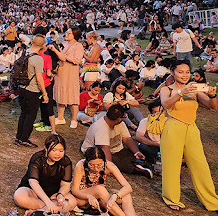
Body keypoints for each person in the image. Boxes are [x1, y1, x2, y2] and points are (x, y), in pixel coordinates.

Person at [159, 59, 218, 211]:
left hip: (192, 129)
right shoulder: (167, 89)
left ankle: (212, 201)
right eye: (180, 72)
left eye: (187, 72)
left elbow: (213, 107)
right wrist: (181, 93)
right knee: (172, 165)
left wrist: (212, 95)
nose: (185, 75)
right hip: (173, 127)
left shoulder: (195, 90)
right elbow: (166, 105)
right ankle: (171, 198)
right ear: (173, 72)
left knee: (201, 165)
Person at [81, 104, 152, 178]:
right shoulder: (101, 128)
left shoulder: (120, 124)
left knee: (134, 156)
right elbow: (104, 148)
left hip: (116, 150)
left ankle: (140, 164)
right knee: (119, 164)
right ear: (119, 119)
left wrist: (137, 152)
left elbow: (127, 139)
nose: (124, 119)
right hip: (97, 151)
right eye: (124, 117)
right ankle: (139, 170)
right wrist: (110, 168)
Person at [13, 134, 77, 214]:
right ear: (46, 148)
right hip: (34, 192)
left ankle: (39, 211)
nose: (57, 154)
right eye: (54, 150)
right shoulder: (37, 158)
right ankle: (51, 209)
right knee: (19, 197)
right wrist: (48, 202)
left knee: (72, 202)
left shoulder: (66, 162)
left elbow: (65, 184)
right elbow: (33, 182)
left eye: (61, 151)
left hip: (54, 194)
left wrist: (60, 194)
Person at [71, 146, 137, 216]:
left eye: (99, 165)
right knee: (100, 189)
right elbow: (74, 190)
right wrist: (89, 196)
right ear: (86, 161)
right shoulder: (81, 165)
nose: (96, 168)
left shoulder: (109, 165)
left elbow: (128, 187)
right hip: (82, 198)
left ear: (104, 161)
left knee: (126, 195)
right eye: (91, 165)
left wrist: (115, 196)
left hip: (100, 199)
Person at [15, 35, 48, 148]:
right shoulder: (38, 59)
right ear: (43, 45)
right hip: (32, 90)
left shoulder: (24, 53)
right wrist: (44, 93)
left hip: (22, 87)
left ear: (32, 42)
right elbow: (39, 79)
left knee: (23, 114)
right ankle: (24, 139)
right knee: (31, 115)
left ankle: (18, 137)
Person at [48, 27, 84, 129]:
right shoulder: (64, 44)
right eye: (67, 33)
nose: (67, 34)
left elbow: (76, 60)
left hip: (71, 73)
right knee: (60, 94)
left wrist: (59, 53)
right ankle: (60, 117)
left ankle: (74, 119)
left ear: (75, 35)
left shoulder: (78, 46)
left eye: (69, 33)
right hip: (61, 72)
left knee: (73, 96)